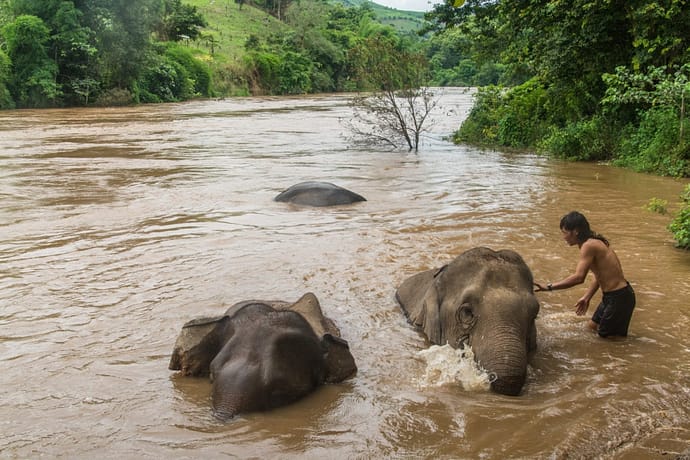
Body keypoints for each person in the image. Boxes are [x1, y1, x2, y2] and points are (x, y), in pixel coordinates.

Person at [534, 211, 636, 337]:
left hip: (619, 298)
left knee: (608, 343)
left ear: (575, 231)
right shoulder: (593, 242)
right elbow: (599, 275)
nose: (564, 237)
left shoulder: (588, 246)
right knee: (590, 328)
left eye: (565, 233)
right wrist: (587, 297)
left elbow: (579, 278)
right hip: (614, 297)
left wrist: (548, 287)